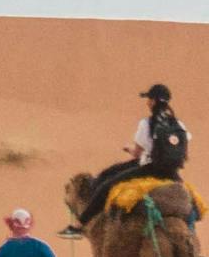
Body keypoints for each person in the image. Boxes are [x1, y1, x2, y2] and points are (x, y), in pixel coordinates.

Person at [64, 84, 191, 235]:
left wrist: (129, 149)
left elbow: (138, 154)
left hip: (150, 169)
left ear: (153, 102)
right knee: (189, 201)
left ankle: (78, 226)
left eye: (149, 99)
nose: (147, 102)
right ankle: (190, 238)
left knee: (106, 186)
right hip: (172, 172)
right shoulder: (179, 125)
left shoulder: (147, 123)